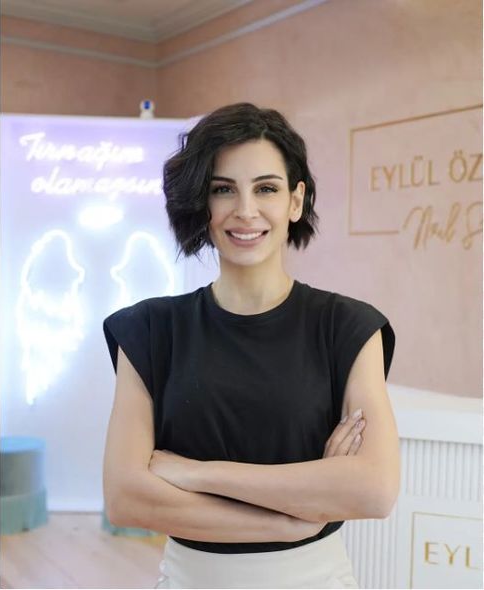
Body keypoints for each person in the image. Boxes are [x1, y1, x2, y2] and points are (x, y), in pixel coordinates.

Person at [102, 103, 399, 589]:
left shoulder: (347, 326)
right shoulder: (151, 329)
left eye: (266, 188)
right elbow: (126, 498)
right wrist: (289, 518)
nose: (245, 210)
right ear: (202, 203)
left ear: (295, 202)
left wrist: (198, 473)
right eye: (223, 189)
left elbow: (375, 489)